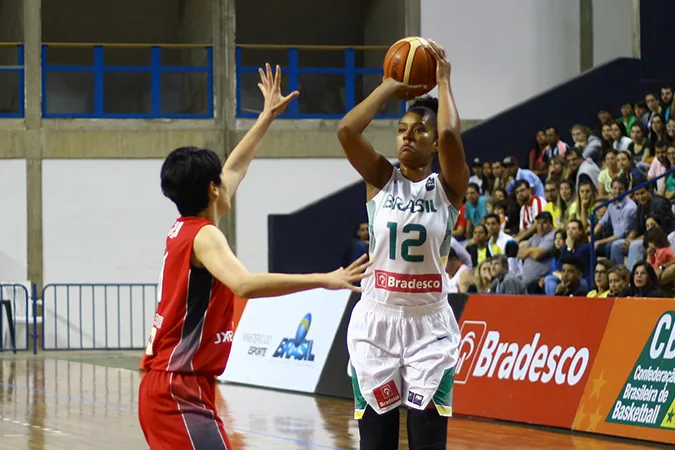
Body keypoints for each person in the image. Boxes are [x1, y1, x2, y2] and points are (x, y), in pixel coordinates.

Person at [138, 65, 371, 450]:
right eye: (221, 182)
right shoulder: (205, 236)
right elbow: (244, 284)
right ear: (213, 191)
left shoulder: (187, 223)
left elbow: (235, 166)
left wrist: (265, 117)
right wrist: (323, 279)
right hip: (177, 388)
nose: (229, 182)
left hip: (174, 385)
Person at [336, 40, 468, 450]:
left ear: (433, 145)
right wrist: (389, 87)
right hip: (377, 320)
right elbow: (346, 130)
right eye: (401, 130)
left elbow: (448, 130)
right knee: (377, 442)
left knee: (428, 441)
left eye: (419, 131)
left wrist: (443, 83)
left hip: (429, 326)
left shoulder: (449, 187)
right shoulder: (380, 177)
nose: (408, 137)